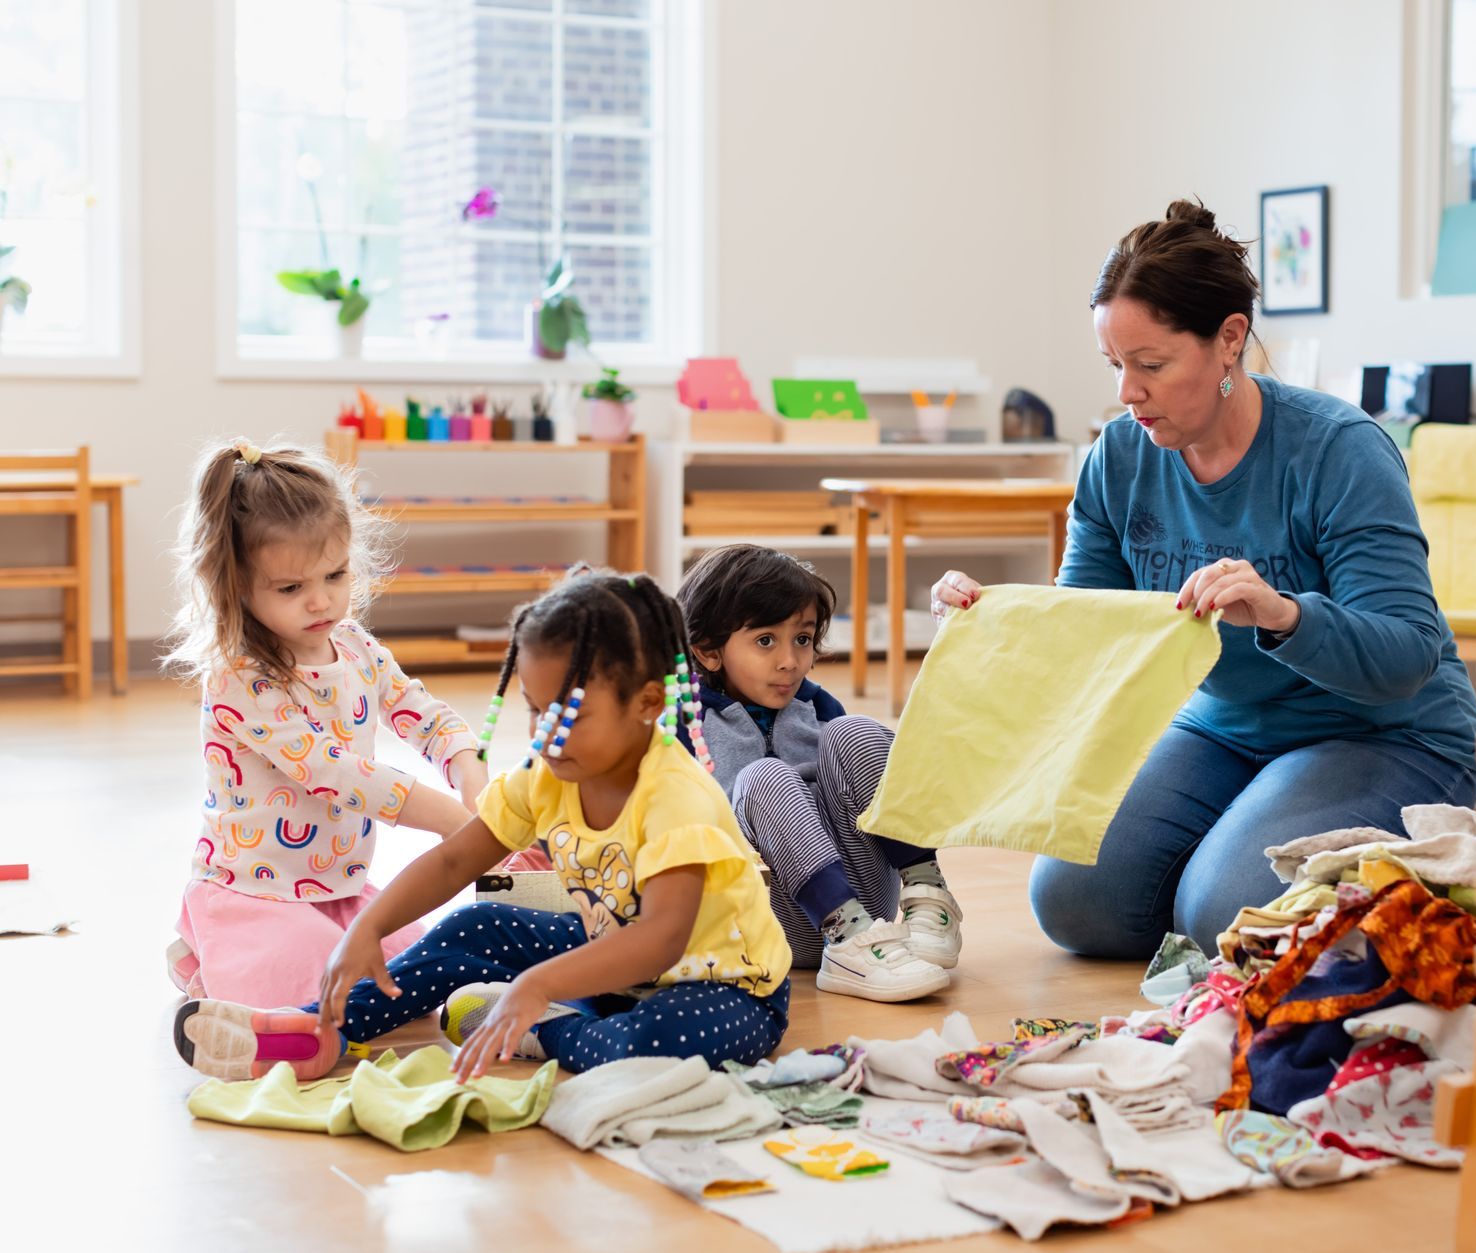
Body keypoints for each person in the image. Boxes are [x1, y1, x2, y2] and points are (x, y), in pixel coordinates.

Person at [931, 199, 1476, 959]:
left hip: (1386, 734)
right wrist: (989, 617)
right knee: (1073, 903)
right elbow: (1084, 630)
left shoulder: (1338, 450)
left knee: (1220, 907)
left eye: (1150, 364)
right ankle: (1251, 851)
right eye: (1115, 365)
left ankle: (1353, 865)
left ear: (1229, 341)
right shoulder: (1119, 459)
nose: (1128, 392)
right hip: (1223, 725)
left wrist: (1284, 615)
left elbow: (1406, 653)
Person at [172, 569, 793, 1084]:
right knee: (476, 922)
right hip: (610, 968)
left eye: (570, 713)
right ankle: (319, 1031)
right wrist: (370, 926)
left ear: (647, 704)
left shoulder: (677, 799)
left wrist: (537, 985)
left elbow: (661, 940)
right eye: (533, 708)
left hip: (726, 990)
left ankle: (542, 1028)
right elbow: (454, 861)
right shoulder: (550, 773)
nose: (545, 734)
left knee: (649, 1045)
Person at [161, 438, 484, 1008]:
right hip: (253, 891)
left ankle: (232, 956)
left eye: (335, 576)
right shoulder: (239, 678)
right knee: (319, 988)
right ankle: (209, 947)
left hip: (339, 888)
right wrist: (449, 820)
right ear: (235, 585)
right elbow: (334, 774)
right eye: (291, 588)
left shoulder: (355, 646)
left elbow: (419, 710)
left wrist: (469, 771)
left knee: (420, 974)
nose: (321, 602)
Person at [678, 544, 956, 1003]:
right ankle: (848, 945)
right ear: (708, 652)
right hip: (761, 917)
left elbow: (866, 792)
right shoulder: (685, 724)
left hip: (867, 906)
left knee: (857, 730)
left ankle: (929, 895)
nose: (790, 660)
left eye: (802, 639)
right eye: (766, 641)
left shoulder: (817, 706)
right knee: (763, 777)